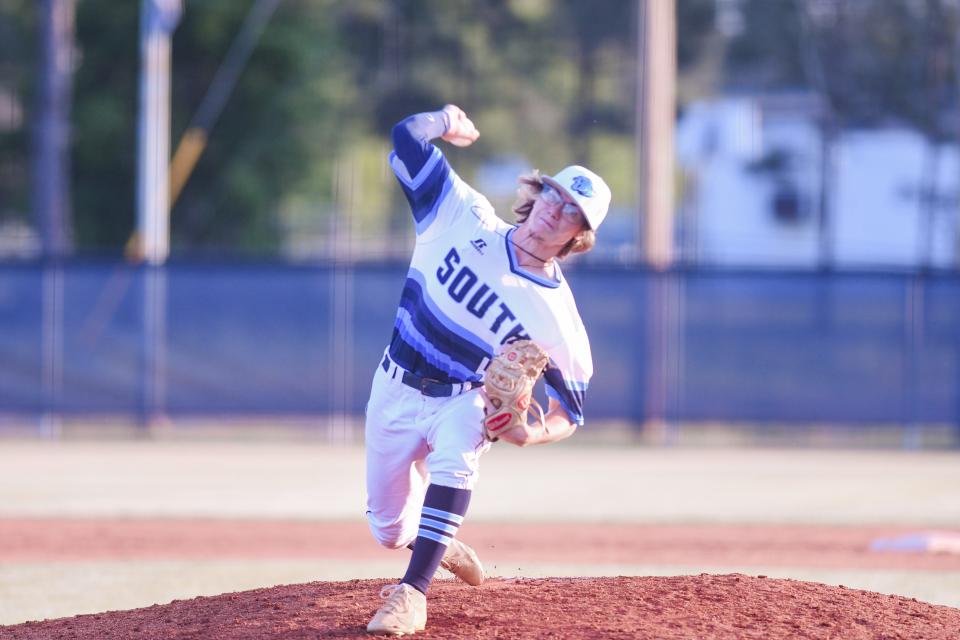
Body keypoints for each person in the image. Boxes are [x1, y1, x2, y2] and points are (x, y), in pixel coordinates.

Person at [364, 104, 611, 636]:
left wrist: (530, 433)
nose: (555, 210)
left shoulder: (558, 318)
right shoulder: (463, 214)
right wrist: (445, 120)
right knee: (386, 527)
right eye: (554, 195)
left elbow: (572, 408)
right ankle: (440, 543)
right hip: (394, 385)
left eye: (572, 213)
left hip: (461, 395)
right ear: (536, 193)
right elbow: (406, 138)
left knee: (462, 448)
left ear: (579, 237)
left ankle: (412, 594)